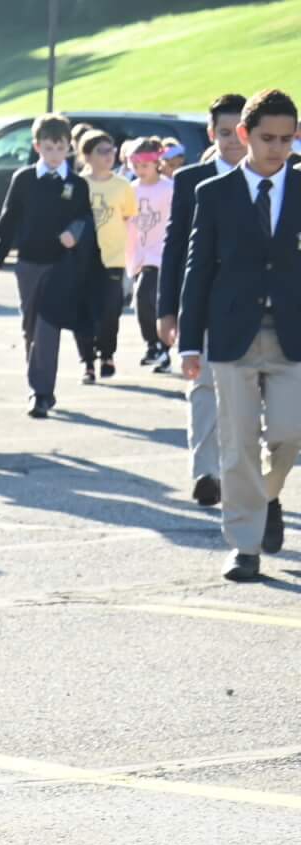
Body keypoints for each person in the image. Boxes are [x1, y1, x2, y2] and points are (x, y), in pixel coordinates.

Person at [178, 88, 301, 585]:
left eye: (288, 140)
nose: (278, 149)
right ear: (245, 135)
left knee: (290, 434)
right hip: (232, 335)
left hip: (292, 333)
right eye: (268, 138)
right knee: (238, 443)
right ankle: (244, 546)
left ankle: (267, 494)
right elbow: (198, 269)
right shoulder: (214, 193)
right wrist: (189, 342)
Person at [160, 94, 249, 506]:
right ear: (211, 134)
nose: (232, 141)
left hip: (255, 306)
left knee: (247, 395)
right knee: (203, 386)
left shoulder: (275, 176)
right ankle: (206, 472)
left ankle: (240, 469)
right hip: (204, 303)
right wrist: (167, 309)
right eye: (223, 133)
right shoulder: (189, 181)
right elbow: (175, 247)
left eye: (238, 133)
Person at [0, 114, 92, 420]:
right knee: (31, 327)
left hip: (61, 265)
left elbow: (86, 217)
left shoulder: (76, 184)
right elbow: (8, 219)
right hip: (29, 262)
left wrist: (75, 232)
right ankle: (38, 380)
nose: (55, 154)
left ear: (69, 147)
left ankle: (41, 392)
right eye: (48, 148)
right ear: (37, 147)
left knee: (48, 326)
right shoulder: (24, 179)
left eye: (60, 148)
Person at [74, 130, 137, 384]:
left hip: (113, 258)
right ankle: (87, 362)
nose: (108, 156)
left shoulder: (122, 186)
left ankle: (107, 354)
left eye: (111, 150)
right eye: (101, 151)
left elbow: (128, 218)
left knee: (110, 311)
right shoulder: (77, 184)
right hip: (81, 260)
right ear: (87, 155)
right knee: (83, 312)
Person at [125, 138, 175, 372]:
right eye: (135, 166)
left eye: (144, 165)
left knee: (145, 297)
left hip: (161, 254)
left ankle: (155, 346)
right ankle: (161, 351)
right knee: (147, 304)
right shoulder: (131, 190)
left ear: (157, 163)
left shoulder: (169, 188)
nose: (139, 171)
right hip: (139, 253)